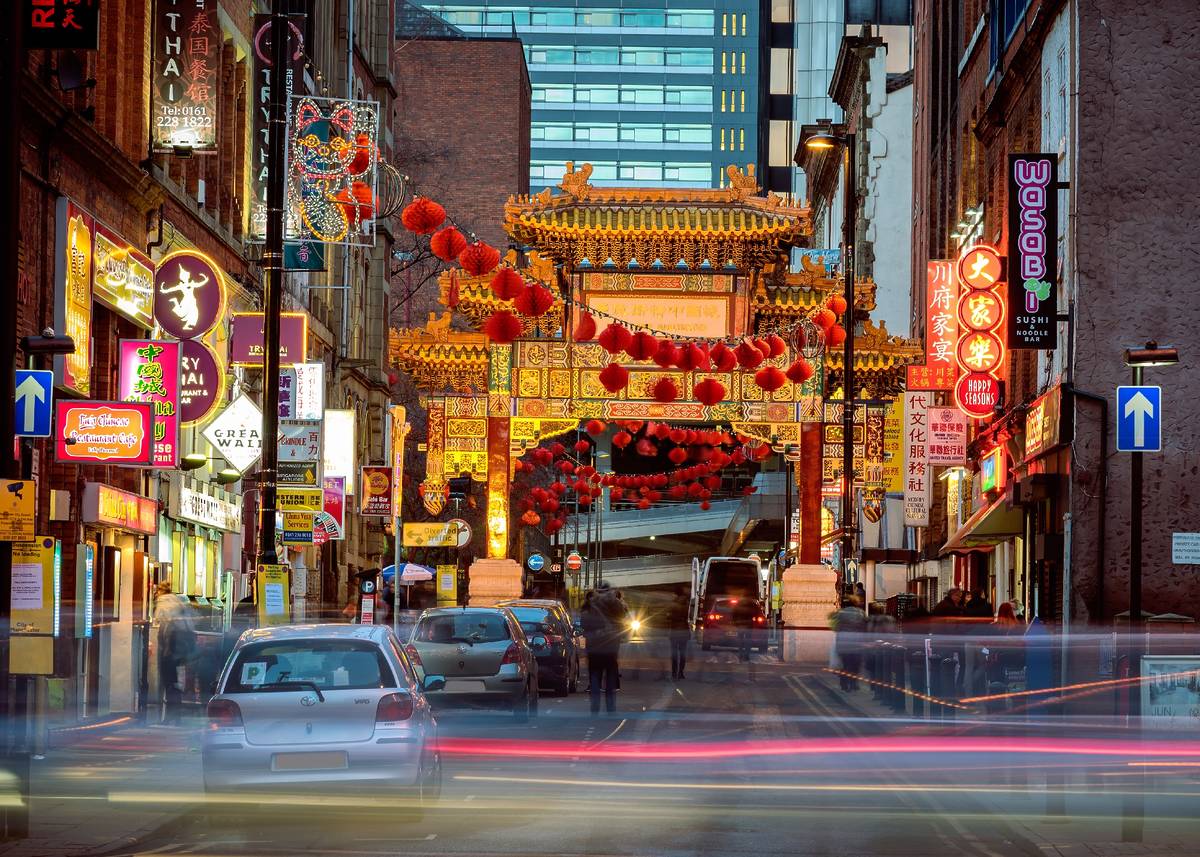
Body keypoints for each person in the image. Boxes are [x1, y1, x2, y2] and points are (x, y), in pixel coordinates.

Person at [154, 582, 195, 725]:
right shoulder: (178, 601)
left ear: (160, 591)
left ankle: (170, 716)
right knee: (176, 683)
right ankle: (176, 717)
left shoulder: (163, 601)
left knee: (169, 683)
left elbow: (160, 621)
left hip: (170, 650)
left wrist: (165, 650)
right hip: (181, 651)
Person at [580, 583, 624, 716]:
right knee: (610, 676)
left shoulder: (590, 604)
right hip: (611, 646)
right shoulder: (616, 604)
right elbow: (622, 621)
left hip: (594, 646)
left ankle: (595, 707)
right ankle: (610, 707)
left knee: (594, 676)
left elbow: (583, 623)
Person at [832, 596, 867, 691]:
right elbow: (864, 628)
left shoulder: (841, 613)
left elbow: (837, 627)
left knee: (845, 663)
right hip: (857, 642)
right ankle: (853, 683)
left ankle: (844, 683)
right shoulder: (861, 613)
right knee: (855, 664)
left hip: (844, 641)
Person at [664, 588, 692, 680]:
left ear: (676, 594)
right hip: (684, 632)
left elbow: (668, 616)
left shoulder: (673, 604)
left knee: (674, 653)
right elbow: (691, 616)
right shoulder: (687, 604)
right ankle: (681, 673)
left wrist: (669, 616)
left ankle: (674, 673)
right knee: (683, 653)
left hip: (675, 632)